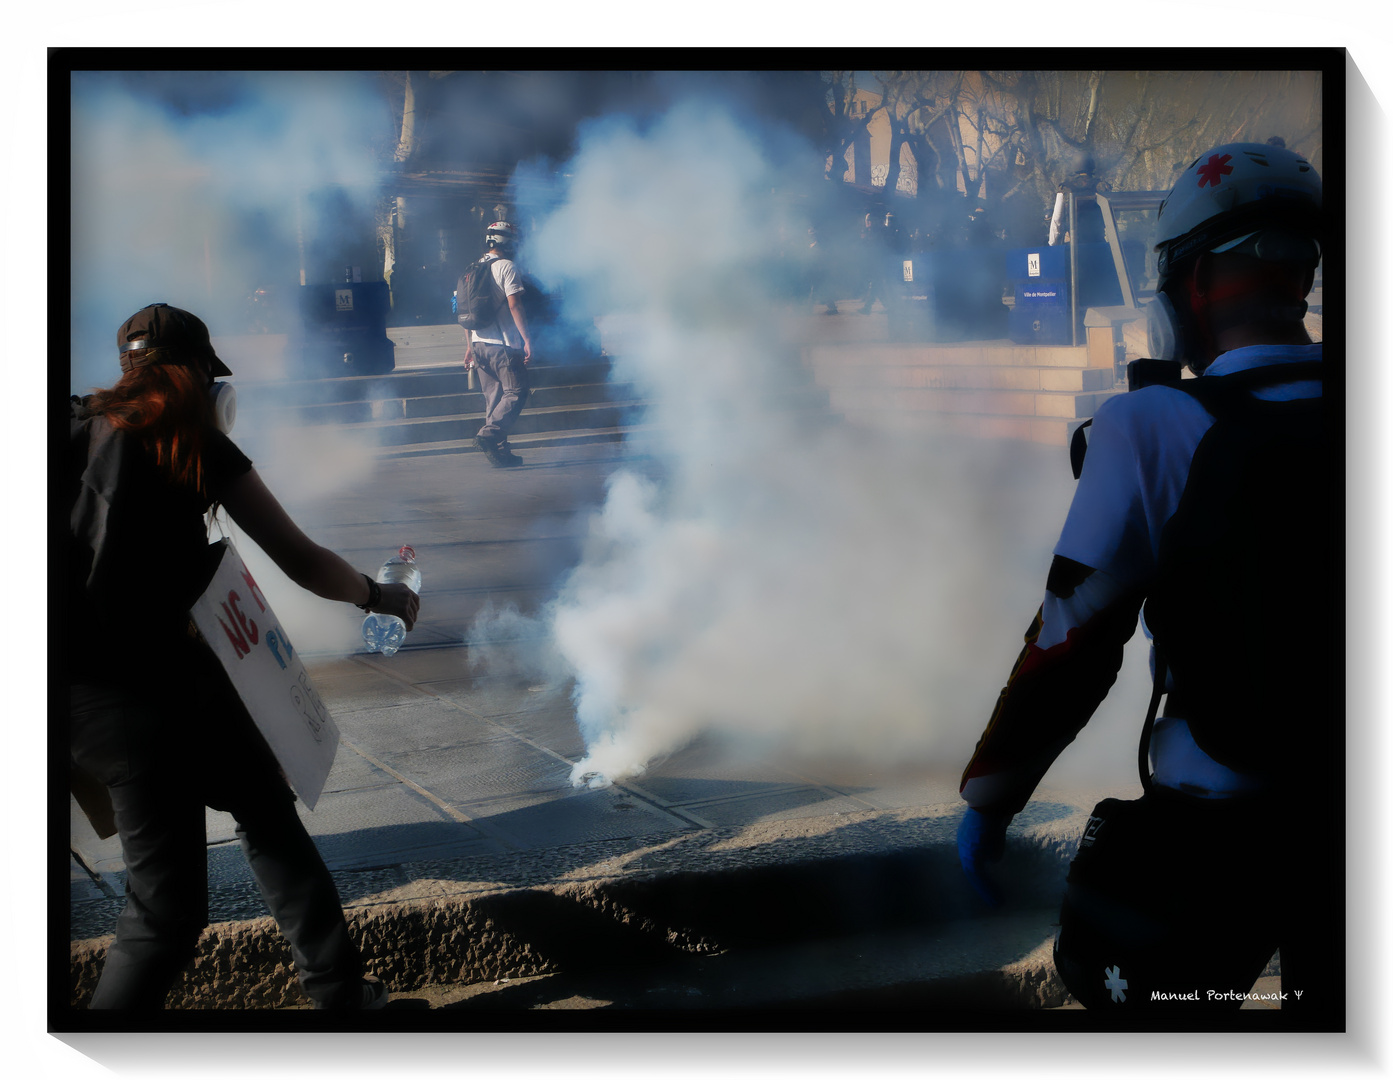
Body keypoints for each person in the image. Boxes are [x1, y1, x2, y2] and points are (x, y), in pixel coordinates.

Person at [956, 142, 1334, 1016]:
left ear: (1190, 282)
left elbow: (1073, 640)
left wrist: (990, 796)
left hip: (1220, 830)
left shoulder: (1148, 424)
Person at [69, 303, 420, 1010]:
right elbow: (299, 559)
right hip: (138, 701)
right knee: (164, 914)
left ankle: (341, 993)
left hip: (89, 690)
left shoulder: (67, 424)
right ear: (203, 375)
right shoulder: (191, 440)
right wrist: (379, 597)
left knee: (263, 800)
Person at [463, 221, 534, 467]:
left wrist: (469, 347)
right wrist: (526, 338)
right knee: (517, 391)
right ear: (508, 242)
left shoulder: (470, 269)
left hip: (478, 344)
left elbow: (464, 314)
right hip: (502, 345)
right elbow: (514, 305)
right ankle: (488, 435)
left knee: (493, 399)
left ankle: (501, 455)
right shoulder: (506, 267)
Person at [1048, 151, 1110, 246]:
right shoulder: (1101, 187)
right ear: (1092, 166)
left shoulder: (1065, 188)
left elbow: (1057, 220)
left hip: (1075, 246)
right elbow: (1112, 216)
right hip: (1098, 242)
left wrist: (1053, 243)